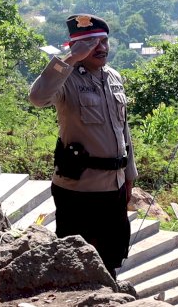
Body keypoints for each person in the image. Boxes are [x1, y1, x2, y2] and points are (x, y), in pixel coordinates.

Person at [29, 14, 137, 279]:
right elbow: (37, 97)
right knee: (75, 261)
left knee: (111, 257)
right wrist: (69, 60)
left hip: (114, 186)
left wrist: (130, 176)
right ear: (76, 47)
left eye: (103, 41)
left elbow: (123, 130)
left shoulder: (113, 77)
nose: (100, 48)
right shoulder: (66, 78)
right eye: (90, 43)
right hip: (79, 189)